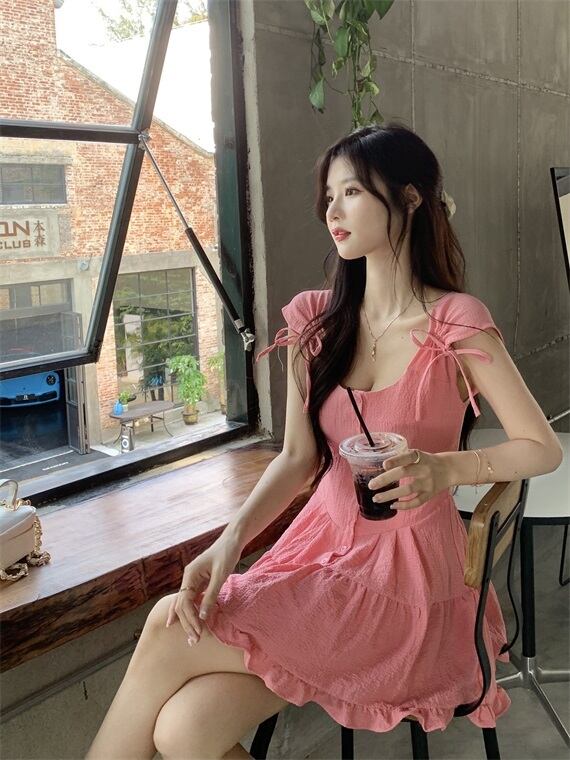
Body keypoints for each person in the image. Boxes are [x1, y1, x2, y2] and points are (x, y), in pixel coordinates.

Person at [86, 123, 563, 760]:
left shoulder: (454, 322)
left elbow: (541, 447)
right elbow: (297, 458)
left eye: (353, 192)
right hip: (318, 553)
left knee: (164, 624)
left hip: (407, 577)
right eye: (329, 196)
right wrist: (230, 542)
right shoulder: (316, 321)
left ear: (410, 198)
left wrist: (444, 469)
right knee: (185, 729)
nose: (332, 211)